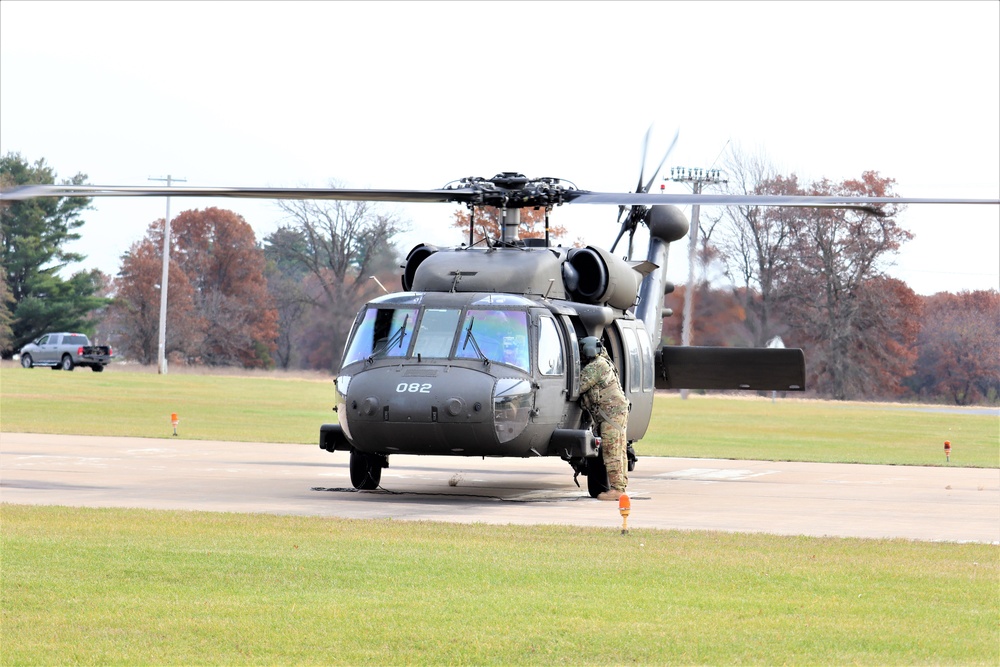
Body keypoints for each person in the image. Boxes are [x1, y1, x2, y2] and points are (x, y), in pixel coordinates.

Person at [578, 336, 629, 501]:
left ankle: (617, 490)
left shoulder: (596, 366)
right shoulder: (604, 363)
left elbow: (578, 386)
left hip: (611, 414)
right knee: (619, 450)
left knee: (611, 451)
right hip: (616, 413)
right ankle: (620, 487)